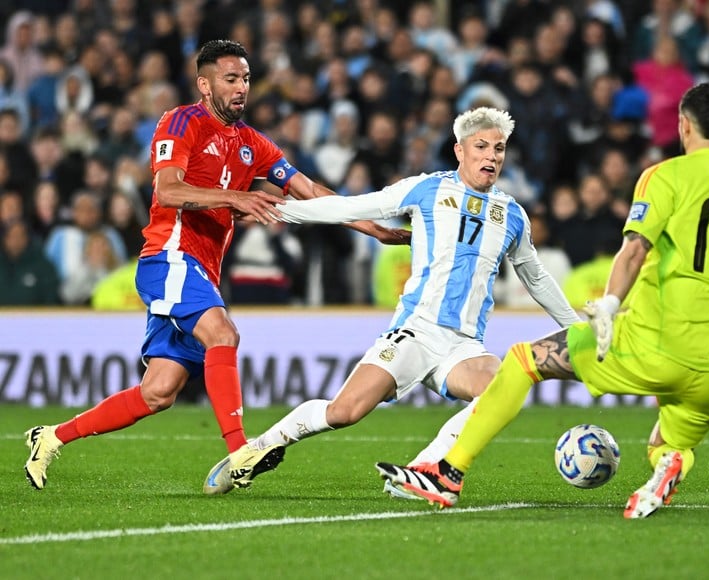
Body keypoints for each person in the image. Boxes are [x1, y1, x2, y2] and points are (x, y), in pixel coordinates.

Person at [375, 82, 709, 518]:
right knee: (667, 442)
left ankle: (447, 474)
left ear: (682, 124)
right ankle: (668, 464)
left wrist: (608, 305)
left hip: (656, 340)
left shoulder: (665, 176)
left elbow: (634, 250)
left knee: (523, 360)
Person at [23, 39, 408, 491]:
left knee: (159, 391)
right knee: (222, 333)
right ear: (204, 85)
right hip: (168, 256)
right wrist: (234, 197)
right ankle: (239, 451)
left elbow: (308, 190)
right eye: (231, 78)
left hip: (201, 270)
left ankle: (50, 436)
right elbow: (167, 190)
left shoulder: (251, 143)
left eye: (246, 78)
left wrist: (372, 227)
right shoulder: (181, 121)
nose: (242, 87)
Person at [202, 107, 581, 495]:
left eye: (498, 149)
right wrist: (278, 209)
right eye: (481, 146)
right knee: (344, 412)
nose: (491, 156)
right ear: (459, 151)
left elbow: (534, 276)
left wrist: (576, 328)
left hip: (464, 345)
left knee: (501, 388)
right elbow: (347, 208)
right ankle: (262, 446)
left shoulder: (513, 214)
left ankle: (427, 470)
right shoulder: (427, 189)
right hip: (415, 332)